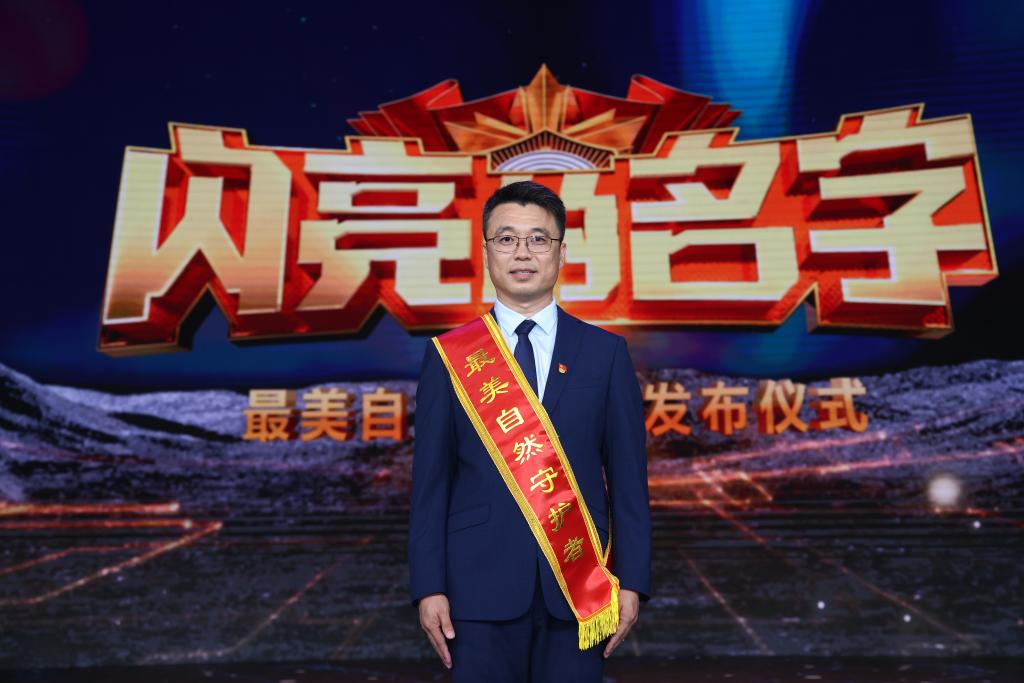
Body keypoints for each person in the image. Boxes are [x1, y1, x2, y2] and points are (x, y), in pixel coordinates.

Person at [409, 180, 651, 682]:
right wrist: (428, 585)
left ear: (562, 252)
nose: (522, 253)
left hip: (579, 585)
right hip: (475, 590)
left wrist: (633, 579)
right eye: (506, 239)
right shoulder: (449, 356)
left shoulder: (605, 353)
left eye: (539, 239)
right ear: (486, 253)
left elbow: (629, 480)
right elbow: (430, 482)